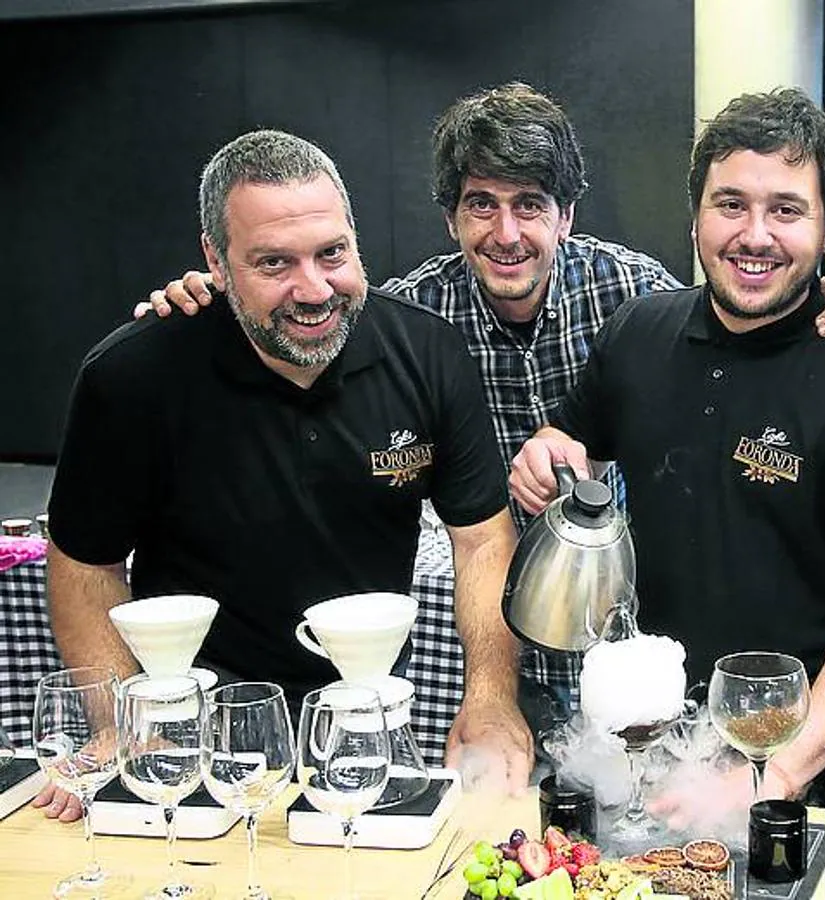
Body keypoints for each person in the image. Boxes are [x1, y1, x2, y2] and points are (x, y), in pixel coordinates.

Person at [139, 83, 825, 743]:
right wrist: (206, 305)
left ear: (565, 216)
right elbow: (294, 331)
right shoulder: (407, 316)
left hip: (619, 613)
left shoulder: (634, 295)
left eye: (530, 205)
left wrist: (824, 309)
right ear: (449, 216)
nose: (506, 234)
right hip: (483, 621)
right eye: (481, 205)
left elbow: (744, 348)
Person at [509, 88, 825, 900]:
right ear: (696, 217)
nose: (754, 235)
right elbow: (575, 440)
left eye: (787, 209)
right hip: (635, 751)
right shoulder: (638, 334)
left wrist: (765, 776)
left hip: (790, 771)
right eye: (730, 204)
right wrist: (549, 452)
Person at [36, 129, 531, 822]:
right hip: (197, 737)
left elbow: (481, 539)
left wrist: (490, 700)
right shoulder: (132, 377)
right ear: (216, 259)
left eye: (333, 253)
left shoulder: (428, 351)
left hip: (366, 723)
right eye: (274, 263)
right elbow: (85, 563)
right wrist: (126, 718)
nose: (314, 288)